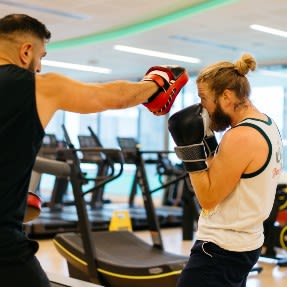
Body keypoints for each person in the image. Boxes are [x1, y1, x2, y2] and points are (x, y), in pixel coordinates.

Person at [0, 13, 189, 287]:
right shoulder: (40, 87)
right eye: (41, 56)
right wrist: (157, 83)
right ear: (25, 51)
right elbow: (113, 97)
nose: (39, 67)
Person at [168, 53, 283, 287]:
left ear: (227, 96)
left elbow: (208, 198)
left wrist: (190, 151)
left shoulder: (240, 136)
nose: (203, 108)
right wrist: (209, 143)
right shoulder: (267, 124)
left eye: (204, 99)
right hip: (244, 245)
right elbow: (228, 174)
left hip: (220, 251)